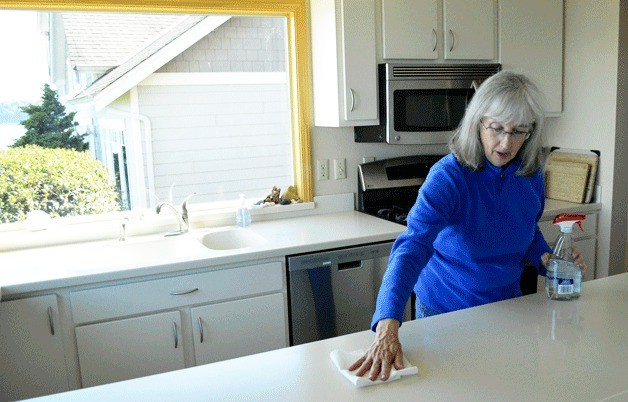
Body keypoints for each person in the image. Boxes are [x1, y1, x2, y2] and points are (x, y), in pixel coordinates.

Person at [349, 70, 586, 381]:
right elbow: (412, 247)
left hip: (508, 309)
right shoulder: (449, 176)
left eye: (518, 131)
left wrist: (547, 260)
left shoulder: (530, 176)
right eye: (497, 128)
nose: (506, 142)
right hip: (445, 315)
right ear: (478, 123)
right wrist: (387, 324)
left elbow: (525, 229)